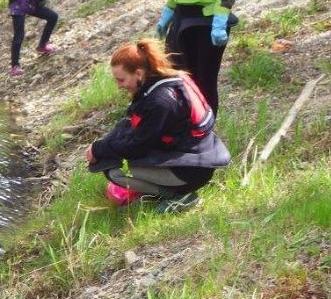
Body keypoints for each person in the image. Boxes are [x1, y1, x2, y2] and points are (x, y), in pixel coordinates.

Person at [85, 40, 230, 213]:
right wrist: (101, 145)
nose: (119, 85)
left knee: (114, 171)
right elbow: (129, 124)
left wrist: (100, 150)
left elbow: (137, 146)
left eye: (121, 80)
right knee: (111, 155)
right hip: (198, 160)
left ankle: (180, 197)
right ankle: (168, 190)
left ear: (138, 73)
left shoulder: (159, 102)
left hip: (190, 171)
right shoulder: (165, 82)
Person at [154, 0, 243, 114]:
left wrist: (220, 19)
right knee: (173, 80)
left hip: (208, 19)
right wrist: (169, 11)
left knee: (203, 83)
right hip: (182, 14)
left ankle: (204, 134)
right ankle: (179, 132)